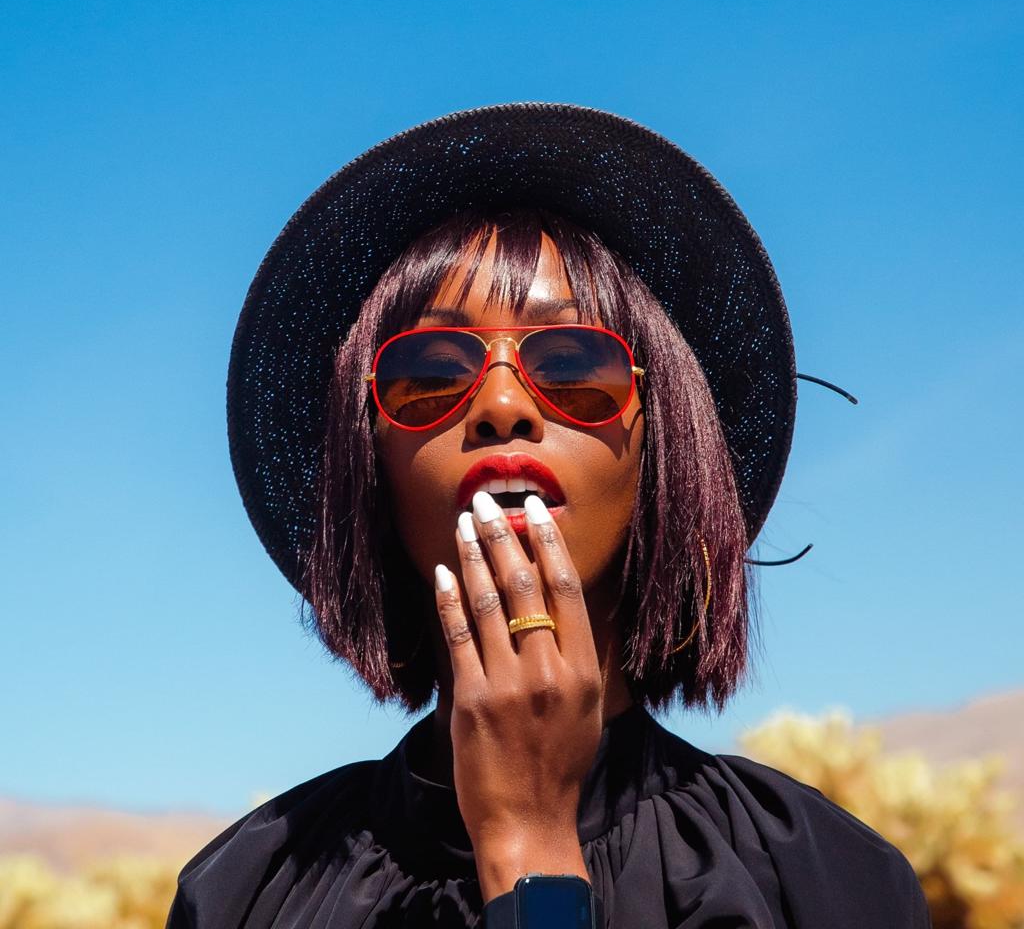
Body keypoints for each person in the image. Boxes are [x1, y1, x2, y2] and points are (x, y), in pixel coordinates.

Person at [165, 104, 931, 928]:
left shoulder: (821, 877)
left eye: (573, 365)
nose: (500, 405)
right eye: (428, 374)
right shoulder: (246, 888)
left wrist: (529, 852)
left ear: (664, 445)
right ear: (368, 467)